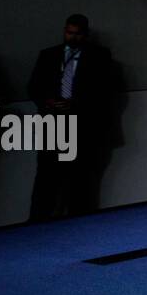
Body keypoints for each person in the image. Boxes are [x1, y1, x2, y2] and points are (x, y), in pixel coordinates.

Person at [26, 14, 118, 221]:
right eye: (69, 32)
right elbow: (33, 87)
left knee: (81, 177)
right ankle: (37, 221)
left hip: (83, 124)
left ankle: (78, 222)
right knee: (46, 175)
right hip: (53, 121)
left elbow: (105, 91)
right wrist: (48, 102)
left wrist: (75, 103)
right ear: (64, 30)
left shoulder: (99, 56)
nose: (72, 37)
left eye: (77, 34)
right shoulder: (49, 55)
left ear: (85, 34)